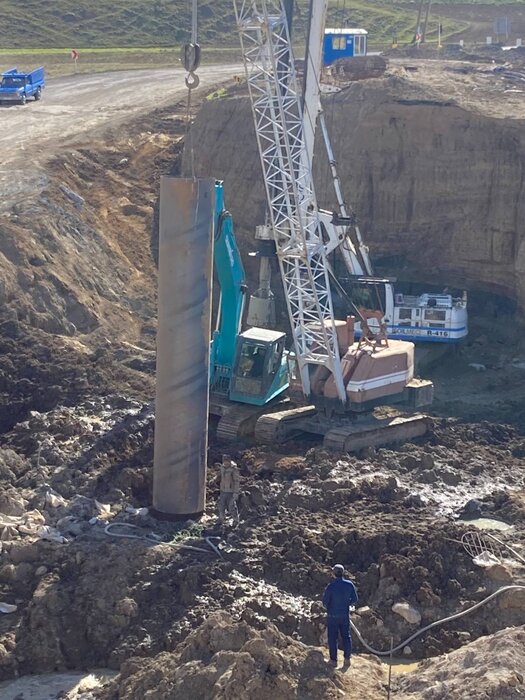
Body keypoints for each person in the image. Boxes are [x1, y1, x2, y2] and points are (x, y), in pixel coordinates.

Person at [322, 564, 358, 668]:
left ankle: (333, 661)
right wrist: (347, 603)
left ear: (333, 573)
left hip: (332, 616)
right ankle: (347, 660)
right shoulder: (349, 584)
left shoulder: (331, 586)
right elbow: (355, 599)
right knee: (346, 636)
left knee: (333, 638)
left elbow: (325, 602)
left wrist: (329, 607)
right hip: (344, 615)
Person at [217, 455, 240, 526]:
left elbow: (236, 481)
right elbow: (219, 476)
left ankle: (236, 520)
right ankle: (221, 519)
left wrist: (236, 492)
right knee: (221, 505)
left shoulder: (234, 469)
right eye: (224, 462)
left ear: (230, 461)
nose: (226, 463)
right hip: (223, 490)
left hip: (231, 491)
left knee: (231, 506)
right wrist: (214, 479)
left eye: (227, 462)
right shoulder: (222, 467)